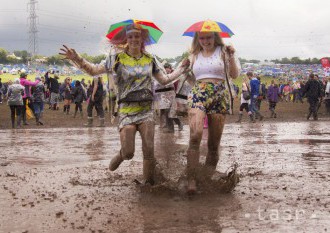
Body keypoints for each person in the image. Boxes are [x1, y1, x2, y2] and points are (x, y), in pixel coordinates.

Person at [59, 23, 189, 185]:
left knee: (149, 151)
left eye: (137, 36)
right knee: (129, 152)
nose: (134, 39)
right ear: (126, 39)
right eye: (131, 36)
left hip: (146, 110)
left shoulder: (150, 59)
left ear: (142, 39)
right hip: (126, 110)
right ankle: (122, 155)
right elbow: (93, 70)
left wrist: (181, 69)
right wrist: (76, 58)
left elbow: (164, 80)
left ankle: (148, 185)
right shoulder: (117, 58)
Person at [185, 31, 240, 194]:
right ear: (197, 39)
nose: (205, 41)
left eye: (209, 37)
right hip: (198, 94)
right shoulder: (193, 55)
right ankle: (192, 179)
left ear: (215, 37)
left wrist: (231, 56)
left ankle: (206, 179)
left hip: (219, 95)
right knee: (195, 136)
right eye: (201, 37)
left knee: (213, 145)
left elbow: (234, 75)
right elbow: (187, 77)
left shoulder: (224, 52)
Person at [154, 63, 183, 133]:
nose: (167, 70)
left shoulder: (173, 76)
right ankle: (167, 127)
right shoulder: (159, 76)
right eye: (166, 68)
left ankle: (178, 124)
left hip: (171, 95)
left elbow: (177, 85)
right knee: (164, 112)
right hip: (161, 95)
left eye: (169, 68)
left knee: (171, 112)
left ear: (170, 69)